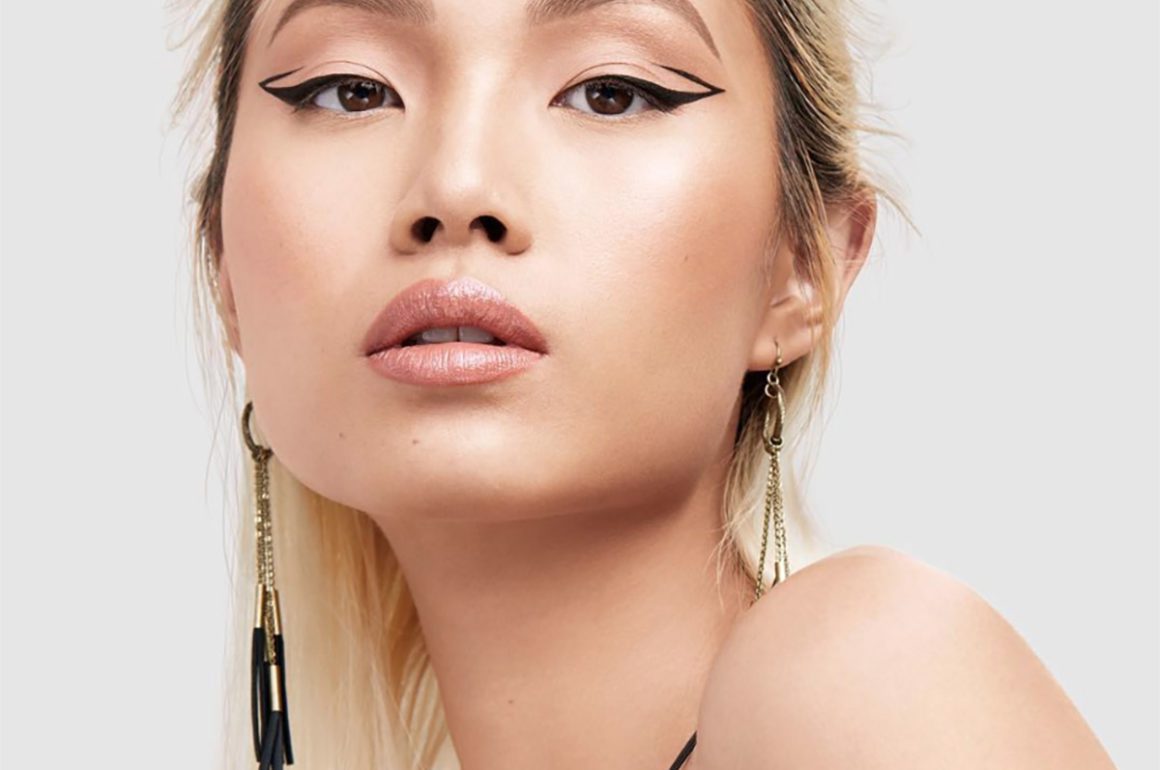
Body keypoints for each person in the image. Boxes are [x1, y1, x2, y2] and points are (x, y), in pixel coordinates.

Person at [167, 0, 1117, 768]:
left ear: (803, 263)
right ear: (225, 270)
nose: (457, 188)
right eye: (349, 90)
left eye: (612, 92)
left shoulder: (872, 677)